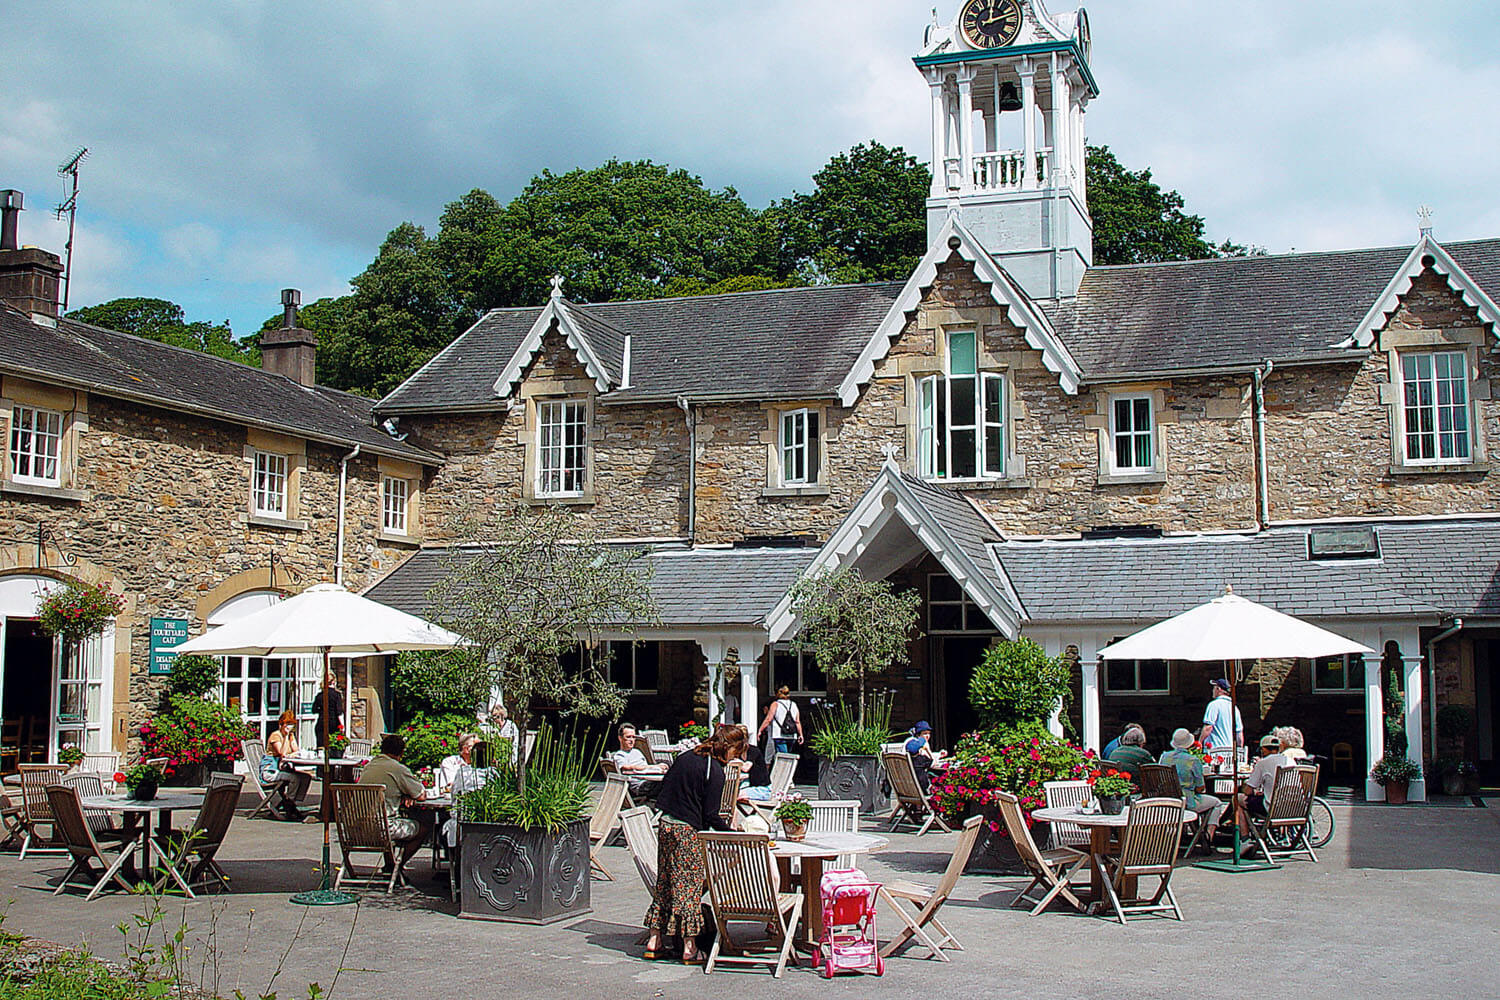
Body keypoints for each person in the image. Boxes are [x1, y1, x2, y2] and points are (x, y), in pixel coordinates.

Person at [642, 724, 748, 964]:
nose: (735, 758)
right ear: (729, 748)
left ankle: (654, 940)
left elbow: (664, 789)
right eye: (736, 752)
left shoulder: (686, 757)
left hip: (665, 825)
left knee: (665, 883)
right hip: (686, 830)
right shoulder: (715, 771)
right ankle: (690, 948)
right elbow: (711, 815)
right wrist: (731, 834)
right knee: (689, 887)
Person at [358, 734, 432, 869]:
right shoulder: (397, 769)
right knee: (424, 828)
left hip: (356, 828)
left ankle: (390, 866)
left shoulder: (369, 766)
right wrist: (408, 794)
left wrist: (403, 794)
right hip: (382, 828)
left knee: (387, 819)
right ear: (402, 753)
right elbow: (421, 795)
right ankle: (395, 867)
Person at [1159, 727, 1225, 854]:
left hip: (1167, 800)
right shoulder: (1192, 760)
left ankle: (1190, 836)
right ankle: (1209, 836)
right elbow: (1201, 788)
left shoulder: (1164, 757)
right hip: (1187, 802)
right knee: (1216, 802)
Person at [1236, 733, 1291, 835]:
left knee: (1237, 799)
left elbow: (1248, 791)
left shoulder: (1263, 763)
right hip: (1294, 808)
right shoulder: (1290, 761)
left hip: (1274, 809)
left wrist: (1242, 787)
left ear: (1263, 749)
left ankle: (1244, 838)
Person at [263, 710, 312, 820]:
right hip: (270, 771)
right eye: (287, 724)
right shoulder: (276, 735)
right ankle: (289, 805)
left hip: (281, 769)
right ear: (281, 724)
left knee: (306, 777)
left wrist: (290, 737)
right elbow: (282, 753)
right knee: (294, 778)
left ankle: (293, 802)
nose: (289, 727)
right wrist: (285, 737)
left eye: (291, 724)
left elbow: (296, 750)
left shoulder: (291, 735)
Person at [610, 723, 665, 801]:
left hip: (649, 781)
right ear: (620, 738)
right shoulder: (619, 755)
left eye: (633, 737)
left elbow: (645, 767)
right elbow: (627, 768)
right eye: (628, 737)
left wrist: (658, 767)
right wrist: (653, 766)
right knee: (668, 784)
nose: (632, 740)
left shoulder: (637, 752)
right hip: (639, 786)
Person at [1199, 678, 1244, 755]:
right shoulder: (1234, 708)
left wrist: (1199, 743)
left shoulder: (1214, 705)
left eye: (1214, 688)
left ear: (1218, 689)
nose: (1212, 691)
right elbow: (1239, 734)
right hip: (1230, 752)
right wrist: (1239, 750)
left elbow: (1208, 727)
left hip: (1215, 751)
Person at [757, 686, 804, 758]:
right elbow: (797, 721)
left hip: (779, 735)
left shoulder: (775, 704)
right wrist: (801, 735)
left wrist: (760, 730)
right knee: (789, 756)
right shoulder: (794, 704)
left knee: (784, 758)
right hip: (792, 735)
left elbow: (769, 719)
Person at [904, 721, 946, 794]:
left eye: (929, 733)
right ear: (918, 734)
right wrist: (927, 749)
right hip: (921, 788)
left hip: (909, 788)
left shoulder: (910, 744)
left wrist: (939, 755)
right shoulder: (920, 747)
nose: (927, 736)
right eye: (924, 733)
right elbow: (931, 761)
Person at [309, 669, 345, 749]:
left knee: (321, 748)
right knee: (333, 747)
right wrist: (342, 726)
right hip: (333, 724)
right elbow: (339, 712)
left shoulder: (320, 695)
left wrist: (322, 710)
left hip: (321, 723)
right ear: (333, 682)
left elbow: (314, 710)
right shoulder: (336, 695)